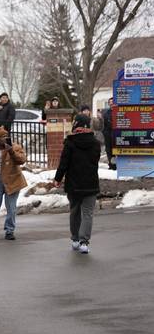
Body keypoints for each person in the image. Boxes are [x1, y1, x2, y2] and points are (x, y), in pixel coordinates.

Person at [53, 115, 100, 254]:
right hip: (90, 183)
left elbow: (64, 163)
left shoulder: (70, 142)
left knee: (74, 211)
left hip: (73, 183)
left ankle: (75, 239)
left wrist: (58, 178)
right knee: (88, 213)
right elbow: (95, 161)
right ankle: (84, 242)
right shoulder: (95, 143)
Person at [102, 97, 115, 170]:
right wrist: (105, 133)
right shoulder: (106, 113)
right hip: (108, 135)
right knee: (109, 151)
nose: (111, 103)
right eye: (110, 102)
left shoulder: (119, 111)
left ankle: (118, 164)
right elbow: (104, 125)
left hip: (117, 134)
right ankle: (112, 165)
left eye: (112, 102)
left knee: (116, 151)